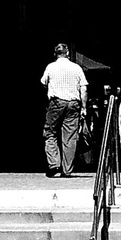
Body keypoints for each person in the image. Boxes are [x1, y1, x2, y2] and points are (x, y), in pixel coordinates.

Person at [40, 42, 87, 177]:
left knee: (50, 132)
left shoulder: (51, 67)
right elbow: (84, 89)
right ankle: (67, 170)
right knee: (70, 137)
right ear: (67, 54)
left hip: (56, 102)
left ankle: (54, 165)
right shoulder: (76, 68)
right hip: (73, 103)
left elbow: (43, 82)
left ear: (55, 54)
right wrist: (84, 107)